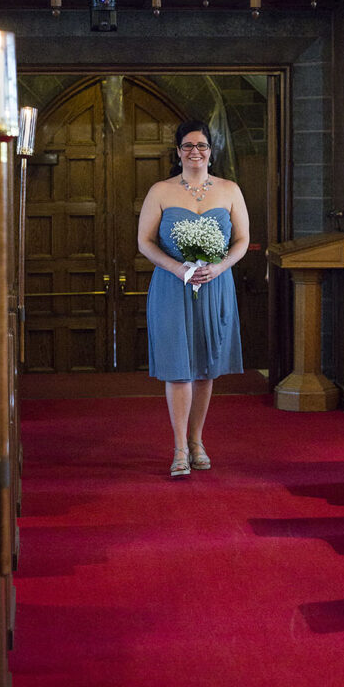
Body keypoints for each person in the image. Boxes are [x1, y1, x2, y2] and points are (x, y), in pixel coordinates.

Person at [138, 119, 249, 477]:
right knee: (179, 368)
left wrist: (219, 268)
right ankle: (180, 448)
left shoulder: (230, 190)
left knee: (205, 367)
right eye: (188, 146)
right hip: (173, 286)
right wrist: (176, 268)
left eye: (201, 146)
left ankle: (198, 440)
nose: (195, 152)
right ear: (178, 152)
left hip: (215, 285)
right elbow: (145, 242)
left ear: (211, 152)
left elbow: (243, 241)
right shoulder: (161, 191)